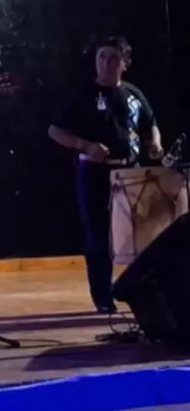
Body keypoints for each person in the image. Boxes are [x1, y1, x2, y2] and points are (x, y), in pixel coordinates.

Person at [48, 36, 163, 314]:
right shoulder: (84, 94)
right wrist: (85, 145)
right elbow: (55, 131)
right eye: (101, 57)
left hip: (130, 172)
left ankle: (140, 292)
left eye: (113, 58)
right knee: (99, 235)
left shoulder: (133, 93)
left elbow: (150, 123)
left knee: (141, 234)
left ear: (125, 63)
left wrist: (155, 143)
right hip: (95, 173)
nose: (105, 63)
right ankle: (102, 297)